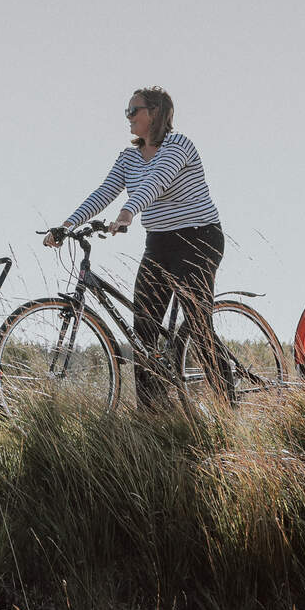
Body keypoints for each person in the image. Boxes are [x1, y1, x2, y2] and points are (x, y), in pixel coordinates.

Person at [45, 87, 227, 404]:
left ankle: (228, 402)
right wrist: (66, 224)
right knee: (143, 328)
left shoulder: (178, 145)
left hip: (198, 238)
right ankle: (153, 412)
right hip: (159, 242)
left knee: (198, 325)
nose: (128, 117)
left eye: (133, 111)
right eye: (127, 112)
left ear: (154, 113)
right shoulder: (129, 157)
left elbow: (155, 181)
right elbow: (104, 191)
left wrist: (127, 214)